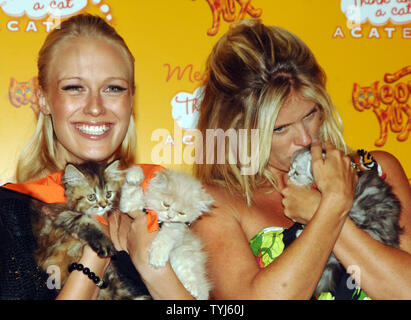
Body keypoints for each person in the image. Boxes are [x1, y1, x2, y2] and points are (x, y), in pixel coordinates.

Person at [192, 19, 411, 299]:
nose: (306, 138)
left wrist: (332, 204)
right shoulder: (217, 205)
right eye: (280, 128)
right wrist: (331, 208)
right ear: (238, 131)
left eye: (310, 114)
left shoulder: (377, 169)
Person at [0, 14, 193, 300]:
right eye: (74, 88)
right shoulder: (10, 216)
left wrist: (153, 270)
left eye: (113, 88)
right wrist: (94, 256)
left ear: (130, 100)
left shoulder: (165, 203)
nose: (95, 107)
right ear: (43, 99)